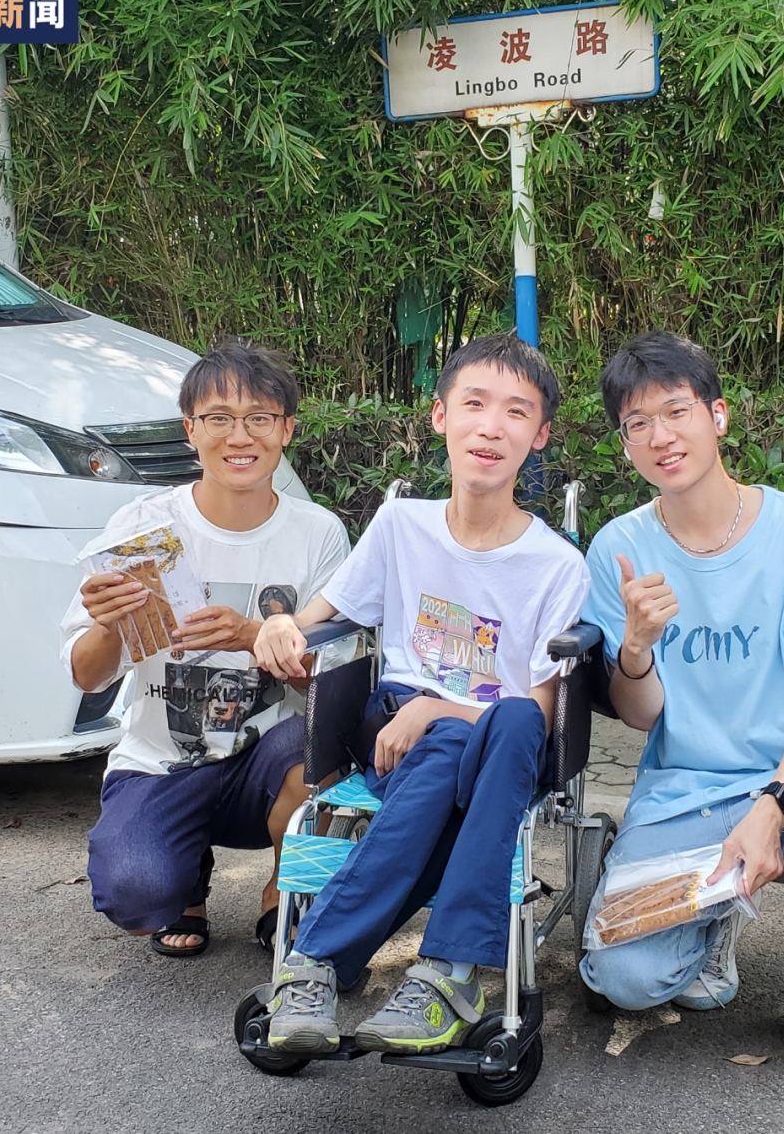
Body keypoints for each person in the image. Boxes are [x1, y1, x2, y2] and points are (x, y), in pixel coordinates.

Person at [579, 331, 784, 1097]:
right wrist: (635, 648)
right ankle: (715, 917)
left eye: (676, 410)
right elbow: (639, 715)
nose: (661, 435)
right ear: (624, 444)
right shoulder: (619, 547)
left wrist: (774, 802)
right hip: (682, 789)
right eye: (637, 423)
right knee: (621, 977)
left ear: (717, 414)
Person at [252, 333, 589, 1055]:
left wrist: (438, 708)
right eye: (474, 404)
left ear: (540, 435)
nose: (491, 427)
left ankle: (315, 961)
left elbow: (540, 711)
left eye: (516, 411)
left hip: (493, 742)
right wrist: (279, 625)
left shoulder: (556, 564)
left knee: (492, 726)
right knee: (450, 745)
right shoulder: (402, 525)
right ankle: (447, 974)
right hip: (394, 729)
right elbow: (318, 616)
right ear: (441, 416)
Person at [61, 342, 349, 957]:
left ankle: (282, 891)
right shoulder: (143, 528)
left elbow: (336, 678)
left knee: (320, 740)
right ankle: (185, 877)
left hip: (267, 757)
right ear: (190, 430)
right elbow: (86, 676)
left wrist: (252, 636)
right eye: (218, 418)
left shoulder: (317, 533)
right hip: (163, 759)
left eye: (259, 418)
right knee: (136, 896)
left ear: (287, 430)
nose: (239, 436)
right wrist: (109, 625)